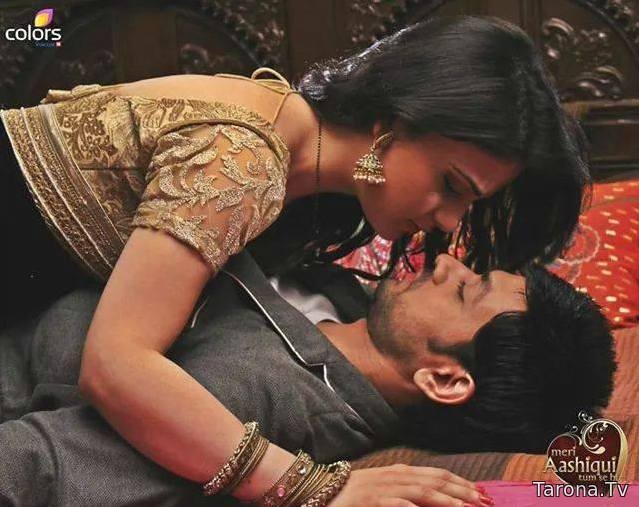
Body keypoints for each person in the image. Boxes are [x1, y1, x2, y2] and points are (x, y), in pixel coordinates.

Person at [0, 13, 590, 506]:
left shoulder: (302, 180)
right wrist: (316, 489)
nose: (450, 224)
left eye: (469, 203)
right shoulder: (244, 159)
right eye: (451, 185)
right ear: (393, 123)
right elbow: (115, 364)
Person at [0, 252, 615, 506]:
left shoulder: (254, 395)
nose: (445, 261)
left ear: (445, 380)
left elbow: (33, 465)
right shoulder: (345, 292)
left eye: (463, 290)